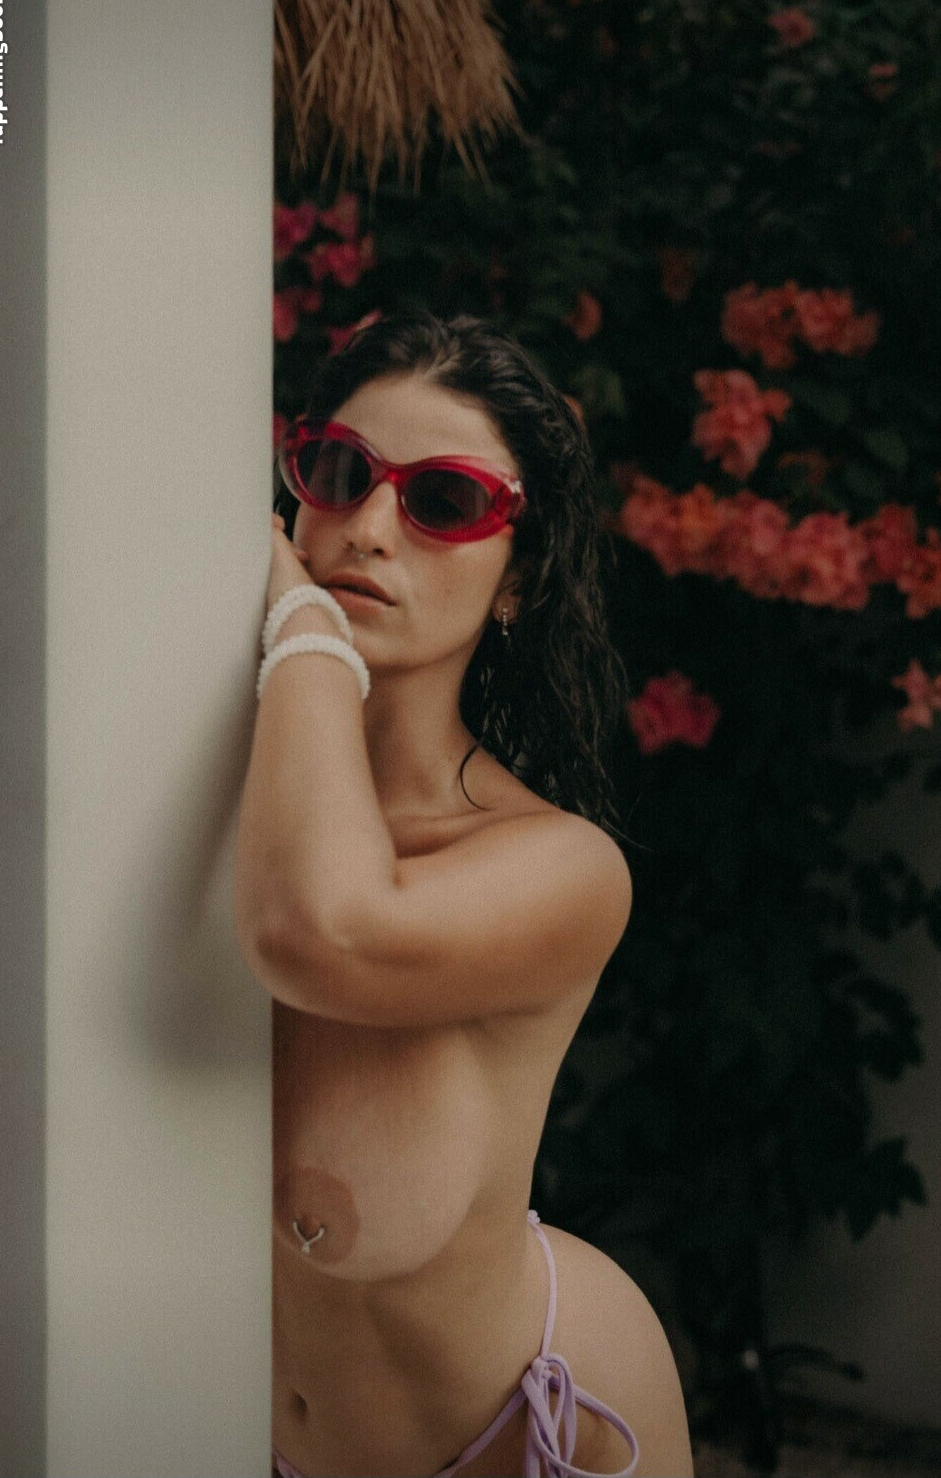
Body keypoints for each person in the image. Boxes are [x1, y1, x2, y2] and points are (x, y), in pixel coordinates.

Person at [233, 311, 696, 1478]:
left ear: (516, 580)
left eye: (443, 500)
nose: (367, 526)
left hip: (528, 1429)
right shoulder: (222, 824)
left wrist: (303, 622)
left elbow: (323, 929)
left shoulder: (565, 867)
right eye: (339, 471)